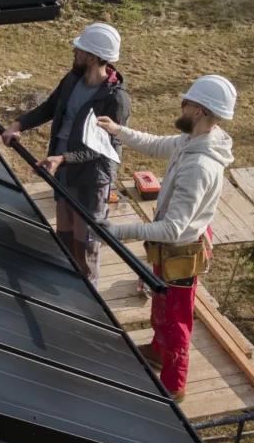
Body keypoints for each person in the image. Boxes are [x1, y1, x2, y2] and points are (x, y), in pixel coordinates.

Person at [96, 74, 237, 401]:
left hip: (181, 251)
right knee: (162, 303)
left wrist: (117, 231)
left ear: (199, 111)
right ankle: (159, 352)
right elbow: (157, 144)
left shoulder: (199, 165)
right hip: (172, 249)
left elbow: (174, 228)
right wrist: (119, 131)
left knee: (177, 321)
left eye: (186, 102)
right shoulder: (193, 140)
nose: (181, 106)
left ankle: (174, 387)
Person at [2, 23, 130, 284]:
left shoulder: (115, 100)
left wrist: (63, 158)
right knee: (65, 237)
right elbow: (50, 108)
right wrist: (19, 124)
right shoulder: (72, 80)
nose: (74, 51)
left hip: (91, 179)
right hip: (63, 172)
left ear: (92, 58)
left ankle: (89, 298)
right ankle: (66, 287)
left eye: (79, 49)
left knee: (86, 246)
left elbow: (101, 148)